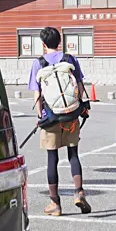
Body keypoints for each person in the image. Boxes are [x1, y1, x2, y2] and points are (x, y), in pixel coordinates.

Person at [28, 27, 91, 216]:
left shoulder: (38, 63)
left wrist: (41, 117)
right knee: (73, 154)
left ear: (43, 44)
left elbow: (37, 94)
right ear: (60, 41)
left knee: (52, 158)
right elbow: (79, 84)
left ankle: (55, 203)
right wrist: (83, 108)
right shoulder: (70, 60)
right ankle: (79, 192)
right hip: (71, 114)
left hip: (52, 115)